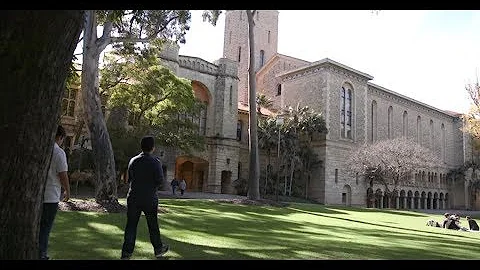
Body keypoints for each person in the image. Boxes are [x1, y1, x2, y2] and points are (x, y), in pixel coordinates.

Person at [121, 136, 169, 260]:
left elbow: (129, 178)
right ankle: (158, 249)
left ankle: (126, 253)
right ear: (153, 148)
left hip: (134, 196)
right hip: (149, 197)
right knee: (153, 225)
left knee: (131, 225)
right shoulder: (155, 162)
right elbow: (160, 181)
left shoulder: (133, 160)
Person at [39, 125, 71, 260]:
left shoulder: (40, 148)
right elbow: (63, 175)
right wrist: (68, 192)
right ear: (60, 137)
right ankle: (42, 254)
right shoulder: (58, 152)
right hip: (51, 195)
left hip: (37, 194)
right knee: (45, 228)